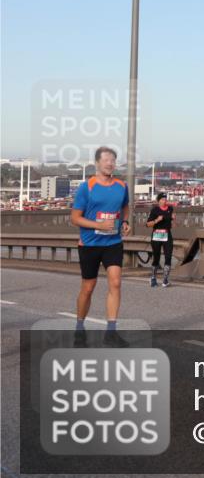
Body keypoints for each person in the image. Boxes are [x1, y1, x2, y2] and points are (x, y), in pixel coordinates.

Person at [70, 146, 131, 348]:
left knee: (115, 282)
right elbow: (75, 218)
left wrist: (124, 222)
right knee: (88, 287)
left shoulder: (122, 186)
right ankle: (79, 328)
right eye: (106, 160)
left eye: (113, 160)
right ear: (97, 163)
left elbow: (125, 207)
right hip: (89, 244)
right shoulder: (86, 187)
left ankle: (111, 332)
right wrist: (98, 225)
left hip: (112, 242)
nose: (110, 164)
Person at [145, 193, 175, 287]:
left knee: (168, 256)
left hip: (167, 235)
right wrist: (157, 220)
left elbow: (171, 221)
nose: (164, 201)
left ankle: (165, 279)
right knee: (156, 257)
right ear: (158, 201)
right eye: (162, 199)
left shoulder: (170, 209)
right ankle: (153, 278)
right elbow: (148, 224)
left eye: (165, 199)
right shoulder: (155, 210)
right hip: (156, 235)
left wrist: (173, 219)